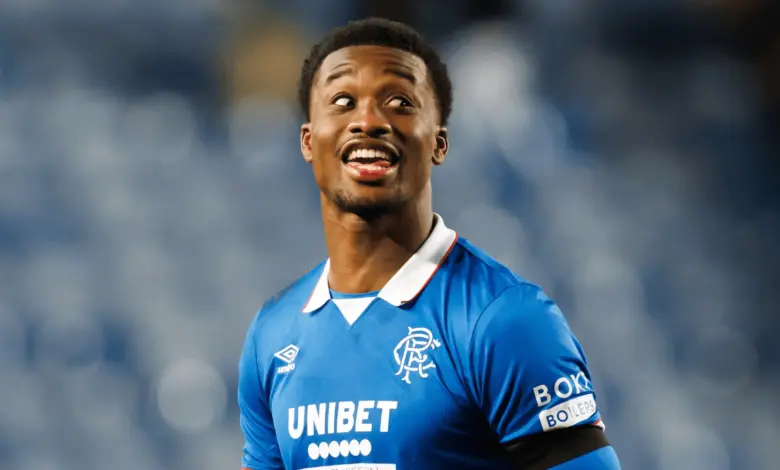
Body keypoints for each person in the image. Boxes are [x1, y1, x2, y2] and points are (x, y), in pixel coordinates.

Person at [238, 17, 621, 470]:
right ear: (307, 141)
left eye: (400, 102)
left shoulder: (504, 319)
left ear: (438, 142)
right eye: (343, 102)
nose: (368, 122)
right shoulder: (272, 334)